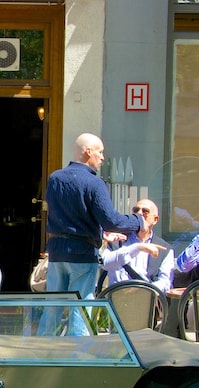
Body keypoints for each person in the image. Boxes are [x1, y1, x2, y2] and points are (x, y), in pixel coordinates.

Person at [43, 133, 142, 334]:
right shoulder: (94, 183)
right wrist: (138, 222)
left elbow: (65, 217)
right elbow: (111, 220)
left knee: (52, 308)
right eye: (100, 151)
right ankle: (79, 357)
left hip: (57, 252)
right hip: (82, 253)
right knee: (81, 309)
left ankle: (42, 351)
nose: (103, 157)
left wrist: (98, 233)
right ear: (87, 151)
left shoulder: (55, 178)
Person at [99, 199, 174, 293]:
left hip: (146, 301)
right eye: (136, 210)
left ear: (155, 219)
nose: (139, 214)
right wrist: (137, 248)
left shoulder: (164, 248)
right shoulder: (116, 239)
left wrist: (142, 290)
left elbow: (166, 282)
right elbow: (105, 263)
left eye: (145, 211)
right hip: (116, 298)